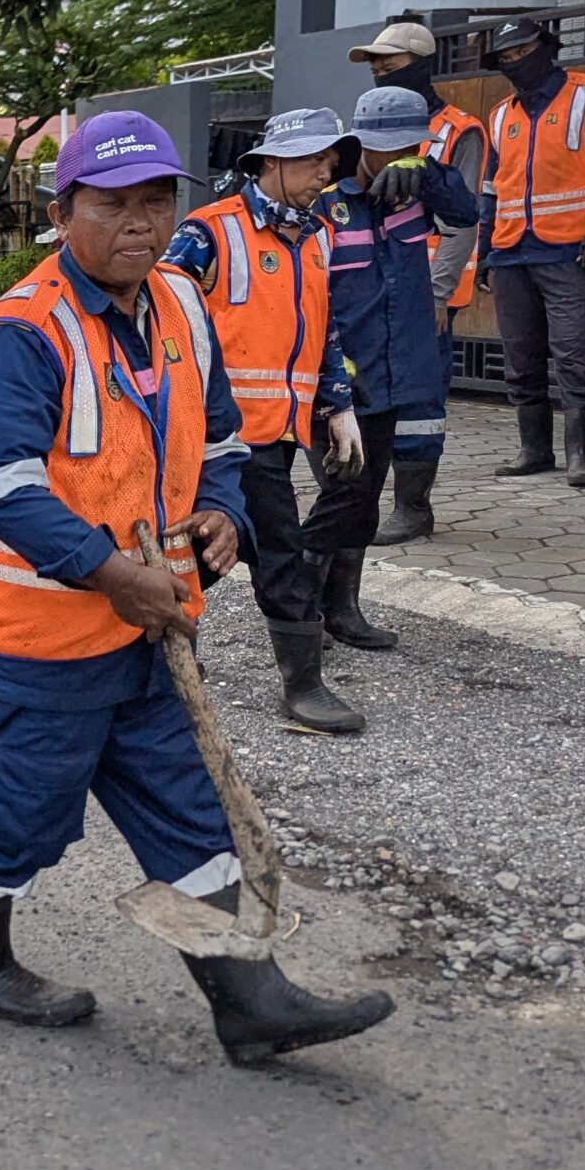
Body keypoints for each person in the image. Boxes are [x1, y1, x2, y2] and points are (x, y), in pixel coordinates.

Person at [0, 109, 391, 1065]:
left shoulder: (182, 302)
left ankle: (250, 1002)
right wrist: (113, 575)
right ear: (62, 214)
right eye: (112, 204)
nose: (140, 222)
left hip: (149, 630)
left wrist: (223, 510)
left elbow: (221, 435)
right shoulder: (18, 334)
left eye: (156, 201)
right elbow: (3, 489)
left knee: (188, 809)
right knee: (18, 812)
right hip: (41, 643)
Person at [163, 109, 370, 733]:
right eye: (314, 162)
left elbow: (325, 330)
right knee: (279, 548)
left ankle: (147, 650)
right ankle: (303, 686)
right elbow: (161, 316)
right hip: (218, 431)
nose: (325, 175)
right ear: (273, 162)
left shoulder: (318, 236)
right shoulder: (209, 232)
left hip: (280, 430)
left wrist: (338, 406)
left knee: (209, 551)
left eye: (330, 164)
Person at [305, 87, 480, 636]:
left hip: (391, 373)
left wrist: (426, 174)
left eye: (410, 147)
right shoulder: (325, 202)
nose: (398, 156)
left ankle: (342, 610)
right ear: (360, 144)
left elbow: (467, 211)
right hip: (337, 376)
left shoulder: (417, 188)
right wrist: (329, 366)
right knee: (342, 494)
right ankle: (300, 611)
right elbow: (305, 293)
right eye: (389, 148)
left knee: (365, 496)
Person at [477, 17, 585, 488]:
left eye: (522, 52)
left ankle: (580, 453)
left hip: (569, 251)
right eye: (506, 58)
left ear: (546, 47)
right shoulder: (499, 115)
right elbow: (491, 188)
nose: (514, 63)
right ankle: (534, 449)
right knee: (520, 358)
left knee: (572, 353)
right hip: (509, 252)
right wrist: (483, 249)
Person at [351, 21, 487, 543]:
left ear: (422, 63)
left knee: (418, 399)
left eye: (391, 62)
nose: (379, 70)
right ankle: (357, 500)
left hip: (423, 290)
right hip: (371, 287)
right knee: (367, 390)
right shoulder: (365, 127)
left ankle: (413, 507)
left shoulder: (459, 130)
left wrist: (438, 292)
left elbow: (464, 218)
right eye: (375, 64)